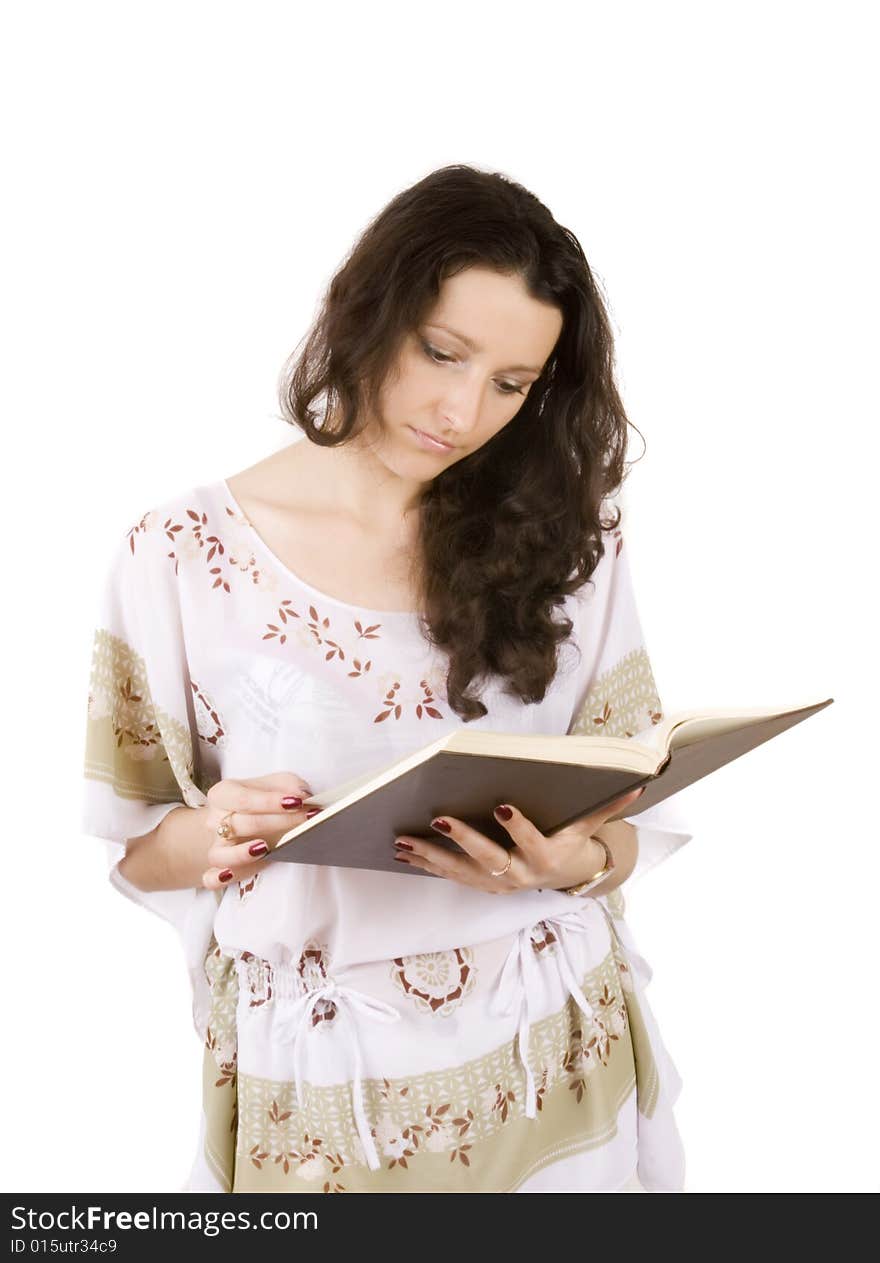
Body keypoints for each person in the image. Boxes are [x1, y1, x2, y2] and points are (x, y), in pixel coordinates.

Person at [81, 164, 693, 1194]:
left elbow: (631, 807)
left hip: (552, 1049)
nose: (461, 411)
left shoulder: (571, 540)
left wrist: (568, 860)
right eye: (440, 354)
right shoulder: (179, 552)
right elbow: (138, 852)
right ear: (364, 314)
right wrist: (218, 830)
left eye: (510, 385)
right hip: (327, 1089)